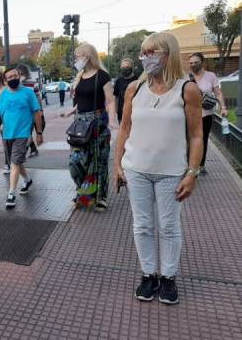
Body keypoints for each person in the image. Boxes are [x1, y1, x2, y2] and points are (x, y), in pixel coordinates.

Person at [113, 32, 203, 305]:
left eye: (153, 52)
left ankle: (168, 277)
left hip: (171, 172)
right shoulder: (134, 89)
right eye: (144, 52)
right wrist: (117, 164)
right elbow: (125, 128)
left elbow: (196, 134)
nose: (145, 58)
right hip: (136, 168)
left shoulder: (187, 89)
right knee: (142, 225)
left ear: (169, 55)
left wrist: (192, 173)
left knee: (168, 225)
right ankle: (148, 274)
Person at [60, 43, 117, 212]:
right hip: (80, 123)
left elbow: (110, 100)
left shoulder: (103, 76)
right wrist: (70, 111)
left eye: (78, 56)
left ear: (88, 56)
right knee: (75, 161)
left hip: (98, 121)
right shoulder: (79, 76)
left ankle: (101, 197)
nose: (76, 60)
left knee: (99, 161)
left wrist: (112, 120)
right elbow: (79, 102)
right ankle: (83, 191)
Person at [0, 66, 43, 207]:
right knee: (16, 161)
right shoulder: (4, 95)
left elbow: (36, 113)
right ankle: (28, 180)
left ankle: (11, 193)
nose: (13, 79)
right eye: (10, 77)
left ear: (19, 76)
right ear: (5, 81)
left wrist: (39, 133)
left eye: (15, 76)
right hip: (7, 134)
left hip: (22, 134)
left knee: (14, 163)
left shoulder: (28, 93)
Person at [189, 52, 227, 174]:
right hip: (189, 115)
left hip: (205, 114)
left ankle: (201, 165)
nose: (193, 65)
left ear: (202, 63)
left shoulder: (210, 76)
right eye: (191, 63)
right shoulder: (186, 77)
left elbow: (218, 93)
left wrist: (223, 107)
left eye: (196, 62)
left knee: (202, 139)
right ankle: (189, 165)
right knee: (188, 139)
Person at [113, 58, 139, 123]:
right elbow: (116, 97)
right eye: (123, 67)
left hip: (134, 114)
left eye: (127, 67)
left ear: (132, 68)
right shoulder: (118, 81)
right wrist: (116, 111)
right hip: (121, 115)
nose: (125, 69)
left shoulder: (138, 80)